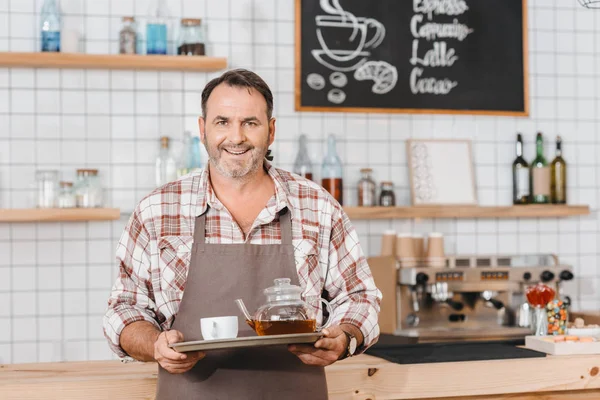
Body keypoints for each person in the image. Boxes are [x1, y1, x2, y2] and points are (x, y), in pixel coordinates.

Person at [103, 68, 381, 399]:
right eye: (222, 122)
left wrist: (345, 336)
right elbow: (124, 308)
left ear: (271, 130)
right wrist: (155, 344)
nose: (236, 137)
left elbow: (359, 297)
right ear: (202, 129)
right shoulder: (157, 210)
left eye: (250, 123)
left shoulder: (317, 205)